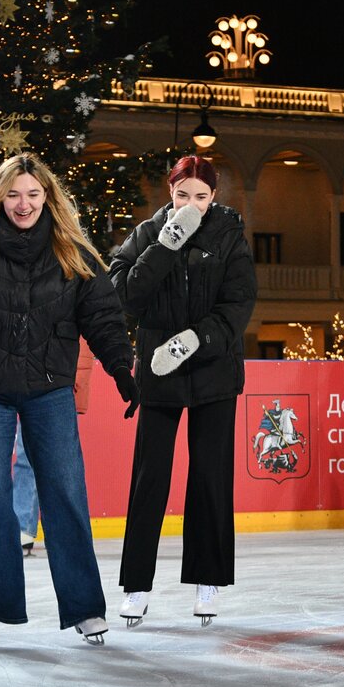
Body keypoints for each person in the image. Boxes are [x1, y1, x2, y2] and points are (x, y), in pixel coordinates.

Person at [0, 153, 138, 648]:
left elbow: (102, 317)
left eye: (33, 195)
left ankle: (84, 608)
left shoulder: (71, 252)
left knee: (64, 491)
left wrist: (120, 367)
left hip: (48, 387)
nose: (23, 204)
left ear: (47, 198)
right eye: (13, 195)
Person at [109, 155, 257, 628]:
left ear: (213, 197)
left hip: (213, 369)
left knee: (210, 477)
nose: (190, 204)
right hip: (158, 370)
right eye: (181, 195)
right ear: (168, 194)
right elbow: (123, 295)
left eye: (200, 196)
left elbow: (239, 303)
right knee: (150, 478)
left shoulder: (229, 235)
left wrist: (198, 338)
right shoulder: (147, 234)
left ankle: (206, 580)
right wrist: (167, 244)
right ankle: (136, 584)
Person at [14, 339, 94, 555]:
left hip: (60, 387)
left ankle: (62, 532)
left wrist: (74, 381)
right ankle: (22, 525)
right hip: (33, 382)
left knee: (61, 465)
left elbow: (83, 350)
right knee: (25, 454)